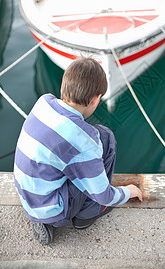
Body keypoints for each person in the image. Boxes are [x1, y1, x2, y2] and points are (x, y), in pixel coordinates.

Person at [14, 57, 143, 245]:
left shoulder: (44, 102)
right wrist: (128, 192)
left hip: (29, 197)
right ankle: (87, 215)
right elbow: (104, 195)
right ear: (95, 99)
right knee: (105, 137)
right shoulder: (86, 140)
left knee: (61, 159)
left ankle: (40, 218)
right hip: (56, 210)